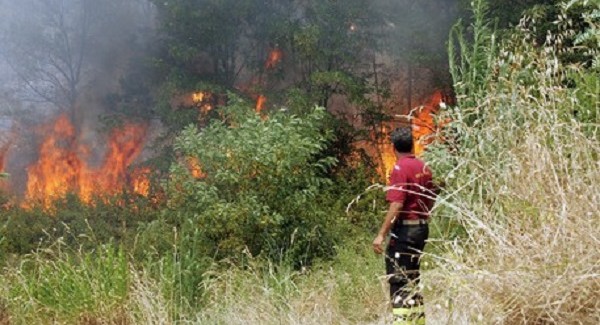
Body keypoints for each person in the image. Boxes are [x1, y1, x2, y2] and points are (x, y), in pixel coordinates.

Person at [372, 126, 436, 325]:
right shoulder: (423, 167)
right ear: (412, 145)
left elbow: (397, 203)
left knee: (398, 279)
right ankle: (417, 321)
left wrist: (381, 234)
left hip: (406, 231)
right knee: (412, 277)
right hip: (421, 229)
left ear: (394, 148)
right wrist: (424, 213)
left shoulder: (400, 169)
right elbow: (432, 194)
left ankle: (402, 322)